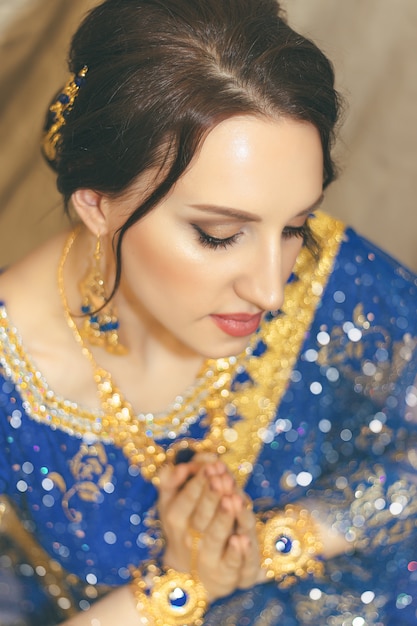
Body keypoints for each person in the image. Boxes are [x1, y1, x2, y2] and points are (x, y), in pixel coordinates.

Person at [0, 0, 416, 624]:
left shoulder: (329, 275)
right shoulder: (13, 379)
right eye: (220, 235)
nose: (272, 290)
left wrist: (280, 541)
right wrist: (180, 587)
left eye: (293, 226)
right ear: (97, 205)